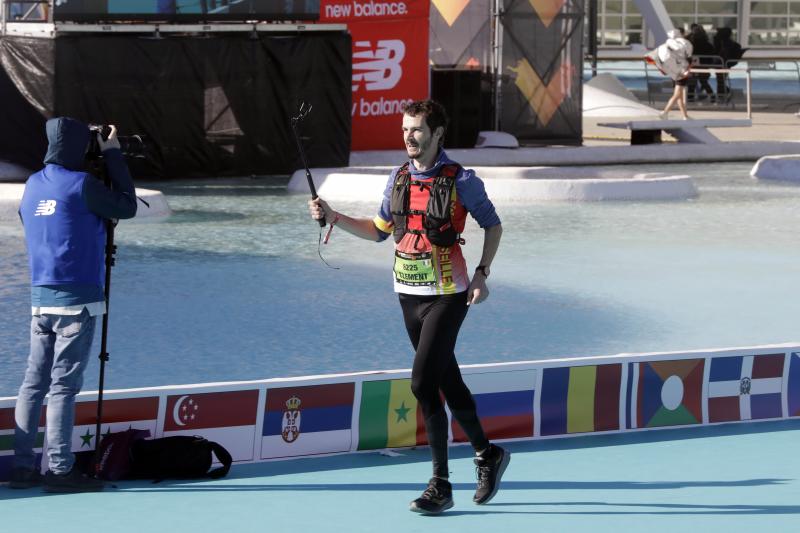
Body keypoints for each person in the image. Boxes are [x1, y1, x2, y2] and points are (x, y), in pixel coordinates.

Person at [308, 100, 508, 515]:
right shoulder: (398, 178)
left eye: (416, 130)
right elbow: (379, 231)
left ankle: (440, 483)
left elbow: (493, 224)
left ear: (437, 134)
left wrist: (483, 274)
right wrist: (334, 217)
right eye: (404, 130)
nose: (408, 137)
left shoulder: (461, 180)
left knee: (421, 382)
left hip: (448, 294)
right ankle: (487, 453)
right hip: (408, 295)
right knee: (447, 382)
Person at [10, 117, 137, 492]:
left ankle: (22, 468)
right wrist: (113, 156)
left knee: (33, 384)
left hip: (39, 298)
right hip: (77, 300)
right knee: (63, 386)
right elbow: (127, 206)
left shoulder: (32, 185)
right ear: (82, 147)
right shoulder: (83, 184)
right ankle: (62, 471)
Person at [656, 29, 693, 120]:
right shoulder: (685, 44)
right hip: (682, 71)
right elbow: (688, 58)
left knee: (679, 95)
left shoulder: (670, 44)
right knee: (677, 94)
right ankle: (665, 112)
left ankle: (685, 116)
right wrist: (688, 69)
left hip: (674, 70)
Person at [713, 27, 745, 103]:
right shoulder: (727, 42)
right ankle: (723, 93)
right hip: (724, 63)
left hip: (721, 63)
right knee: (721, 79)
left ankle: (722, 94)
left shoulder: (720, 41)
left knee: (720, 79)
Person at [687, 24, 716, 102]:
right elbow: (712, 52)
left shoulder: (691, 43)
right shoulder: (707, 44)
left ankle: (690, 97)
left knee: (692, 80)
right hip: (704, 65)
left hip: (693, 64)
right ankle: (712, 95)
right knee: (703, 81)